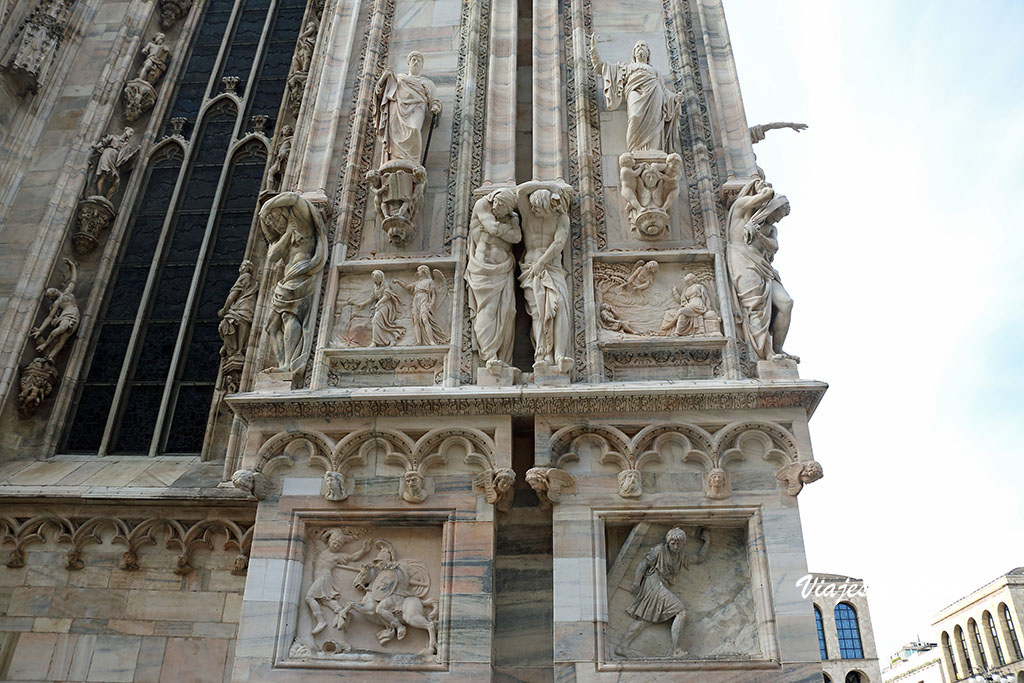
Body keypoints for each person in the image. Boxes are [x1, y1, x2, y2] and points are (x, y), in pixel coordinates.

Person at [726, 178, 797, 361]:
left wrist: (759, 236)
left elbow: (773, 247)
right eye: (779, 214)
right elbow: (764, 197)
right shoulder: (740, 208)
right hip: (743, 263)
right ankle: (766, 355)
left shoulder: (770, 229)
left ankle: (778, 349)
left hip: (764, 269)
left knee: (786, 303)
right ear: (771, 207)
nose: (778, 219)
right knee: (756, 307)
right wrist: (764, 191)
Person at [615, 526, 710, 658]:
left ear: (683, 544)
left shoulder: (681, 556)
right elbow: (643, 565)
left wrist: (707, 542)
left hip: (661, 586)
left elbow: (699, 558)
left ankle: (622, 646)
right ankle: (676, 650)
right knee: (681, 611)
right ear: (668, 542)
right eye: (673, 543)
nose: (676, 546)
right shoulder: (659, 550)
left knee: (645, 620)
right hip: (653, 584)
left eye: (679, 544)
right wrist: (636, 582)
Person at [261, 192, 326, 372]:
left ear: (283, 213)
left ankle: (289, 365)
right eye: (270, 223)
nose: (273, 225)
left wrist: (267, 206)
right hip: (287, 280)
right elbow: (272, 255)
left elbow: (295, 198)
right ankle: (283, 364)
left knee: (289, 315)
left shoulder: (303, 225)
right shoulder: (286, 235)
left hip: (301, 275)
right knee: (271, 327)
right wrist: (268, 218)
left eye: (274, 219)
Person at [516, 180, 574, 374]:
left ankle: (559, 354)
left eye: (537, 207)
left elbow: (559, 243)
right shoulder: (527, 215)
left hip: (552, 268)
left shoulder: (561, 219)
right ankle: (543, 356)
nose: (534, 210)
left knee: (559, 307)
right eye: (532, 206)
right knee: (539, 312)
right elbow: (521, 191)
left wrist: (542, 261)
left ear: (547, 205)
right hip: (531, 269)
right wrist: (550, 186)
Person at [590, 35, 681, 153]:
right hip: (635, 92)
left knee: (655, 119)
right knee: (634, 117)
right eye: (637, 47)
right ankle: (635, 149)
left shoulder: (655, 71)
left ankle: (654, 150)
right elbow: (602, 68)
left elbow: (664, 91)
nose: (640, 48)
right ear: (633, 53)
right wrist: (593, 50)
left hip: (654, 93)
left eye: (643, 46)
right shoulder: (627, 68)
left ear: (648, 52)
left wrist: (674, 98)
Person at [465, 188, 520, 374]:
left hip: (503, 268)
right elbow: (492, 227)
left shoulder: (513, 218)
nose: (496, 207)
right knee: (486, 310)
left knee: (509, 311)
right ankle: (489, 356)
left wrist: (503, 230)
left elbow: (518, 237)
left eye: (501, 206)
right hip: (482, 269)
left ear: (509, 209)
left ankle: (504, 358)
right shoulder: (482, 205)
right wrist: (504, 230)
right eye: (495, 202)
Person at [374, 51, 441, 166]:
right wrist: (384, 77)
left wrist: (435, 106)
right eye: (413, 60)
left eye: (418, 61)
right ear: (408, 63)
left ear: (422, 65)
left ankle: (413, 162)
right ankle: (394, 159)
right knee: (394, 132)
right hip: (397, 108)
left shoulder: (427, 82)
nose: (416, 62)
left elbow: (434, 100)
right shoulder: (399, 78)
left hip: (417, 108)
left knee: (414, 130)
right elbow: (379, 92)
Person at [30, 258, 79, 360]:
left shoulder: (67, 292)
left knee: (63, 338)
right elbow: (49, 317)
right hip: (66, 316)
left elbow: (73, 280)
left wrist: (72, 266)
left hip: (75, 316)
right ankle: (45, 345)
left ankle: (51, 357)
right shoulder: (57, 303)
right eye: (50, 292)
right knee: (60, 330)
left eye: (51, 289)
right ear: (52, 297)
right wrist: (40, 330)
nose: (52, 290)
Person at [347, 270, 404, 347]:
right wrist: (363, 304)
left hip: (386, 305)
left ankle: (375, 342)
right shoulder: (375, 287)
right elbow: (372, 297)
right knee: (380, 323)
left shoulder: (385, 285)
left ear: (381, 277)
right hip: (379, 306)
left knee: (375, 321)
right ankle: (389, 340)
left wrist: (378, 303)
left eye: (377, 277)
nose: (376, 279)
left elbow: (387, 296)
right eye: (374, 277)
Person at [394, 265, 448, 345]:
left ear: (423, 271)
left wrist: (431, 304)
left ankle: (431, 340)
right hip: (416, 300)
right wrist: (398, 282)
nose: (418, 272)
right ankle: (419, 341)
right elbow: (407, 287)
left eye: (419, 270)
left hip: (424, 299)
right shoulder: (417, 282)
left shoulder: (429, 281)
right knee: (416, 320)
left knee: (425, 319)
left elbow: (433, 294)